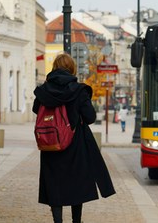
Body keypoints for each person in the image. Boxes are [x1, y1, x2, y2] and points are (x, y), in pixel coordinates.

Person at [32, 53, 115, 223]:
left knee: (54, 183)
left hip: (51, 144)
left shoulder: (43, 90)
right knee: (76, 183)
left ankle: (57, 221)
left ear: (54, 68)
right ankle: (76, 221)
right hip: (75, 145)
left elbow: (36, 110)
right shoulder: (78, 90)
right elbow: (90, 117)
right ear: (71, 69)